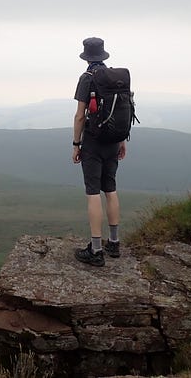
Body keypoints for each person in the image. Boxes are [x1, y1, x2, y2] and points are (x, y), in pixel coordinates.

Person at [72, 37, 126, 266]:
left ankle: (96, 250)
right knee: (110, 189)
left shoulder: (87, 79)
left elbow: (80, 115)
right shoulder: (117, 78)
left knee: (93, 192)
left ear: (86, 57)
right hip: (114, 141)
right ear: (103, 55)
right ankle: (114, 243)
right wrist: (122, 140)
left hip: (93, 143)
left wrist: (76, 144)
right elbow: (122, 111)